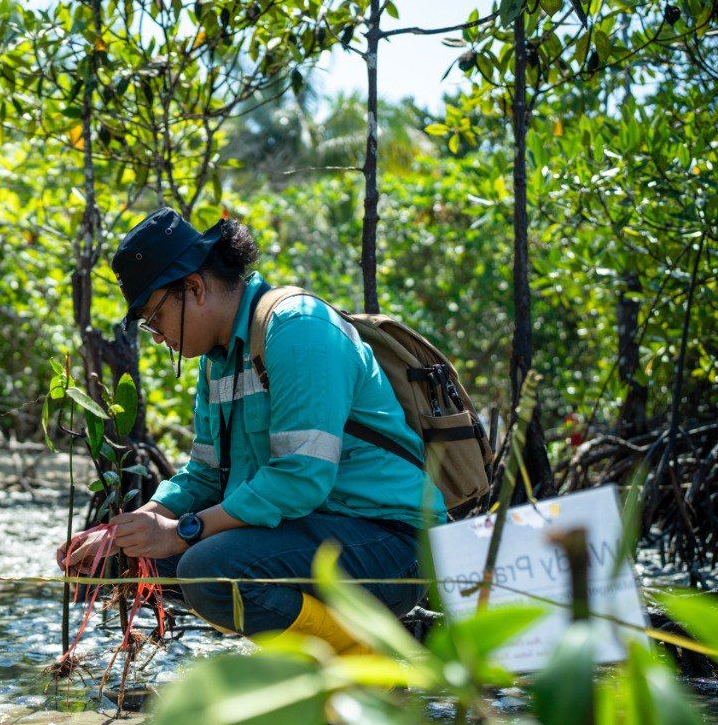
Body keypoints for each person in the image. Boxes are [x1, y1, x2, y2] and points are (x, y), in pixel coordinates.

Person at [60, 208, 446, 653]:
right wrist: (135, 526)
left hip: (393, 543)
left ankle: (367, 657)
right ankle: (331, 654)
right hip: (316, 532)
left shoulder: (298, 328)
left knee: (207, 566)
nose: (158, 337)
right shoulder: (216, 361)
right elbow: (204, 476)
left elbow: (300, 479)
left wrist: (182, 530)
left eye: (155, 318)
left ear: (194, 288)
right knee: (154, 558)